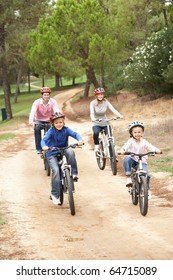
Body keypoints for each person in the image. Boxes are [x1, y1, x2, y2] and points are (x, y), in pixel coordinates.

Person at [41, 112, 84, 205]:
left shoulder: (66, 129)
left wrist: (80, 140)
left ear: (63, 122)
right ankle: (55, 195)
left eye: (60, 122)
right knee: (56, 171)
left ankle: (74, 173)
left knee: (71, 151)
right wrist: (44, 146)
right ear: (53, 124)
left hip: (64, 150)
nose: (59, 124)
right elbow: (43, 140)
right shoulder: (51, 131)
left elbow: (75, 134)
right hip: (52, 152)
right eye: (56, 123)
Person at [120, 121, 161, 199]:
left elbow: (150, 146)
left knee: (147, 175)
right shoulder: (131, 141)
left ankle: (147, 191)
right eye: (135, 132)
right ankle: (129, 178)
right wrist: (123, 149)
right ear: (131, 133)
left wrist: (156, 150)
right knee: (126, 159)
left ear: (142, 133)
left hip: (142, 160)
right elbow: (125, 146)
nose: (137, 134)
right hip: (132, 158)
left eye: (139, 132)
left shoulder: (144, 142)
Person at [90, 87, 123, 153]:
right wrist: (93, 118)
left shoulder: (106, 102)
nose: (100, 96)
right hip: (97, 122)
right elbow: (92, 113)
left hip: (105, 122)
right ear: (96, 95)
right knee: (96, 133)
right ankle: (96, 145)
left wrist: (119, 115)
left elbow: (113, 109)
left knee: (110, 138)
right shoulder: (93, 103)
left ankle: (112, 154)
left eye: (102, 94)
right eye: (99, 94)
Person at [29, 87, 60, 154]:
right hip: (39, 120)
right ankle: (39, 149)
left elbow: (56, 110)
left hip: (49, 121)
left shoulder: (53, 102)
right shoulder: (36, 102)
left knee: (49, 134)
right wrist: (31, 122)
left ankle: (48, 147)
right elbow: (33, 112)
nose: (46, 96)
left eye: (47, 95)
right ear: (42, 95)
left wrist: (57, 118)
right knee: (36, 129)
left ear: (49, 95)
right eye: (45, 95)